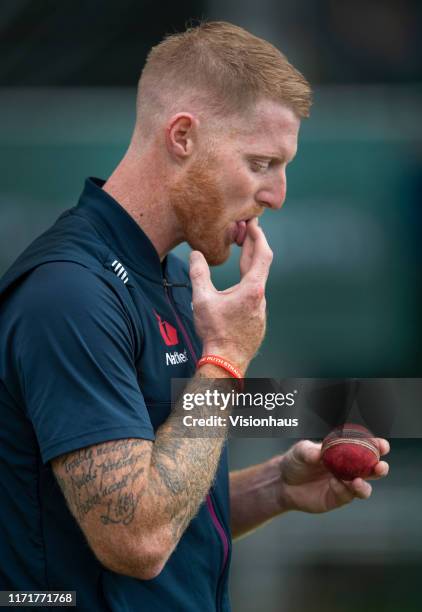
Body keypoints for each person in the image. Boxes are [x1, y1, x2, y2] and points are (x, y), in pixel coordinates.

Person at [0, 21, 389, 612]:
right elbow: (137, 538)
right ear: (182, 136)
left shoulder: (178, 276)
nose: (277, 194)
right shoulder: (70, 294)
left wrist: (273, 488)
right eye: (261, 163)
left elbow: (166, 498)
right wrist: (225, 361)